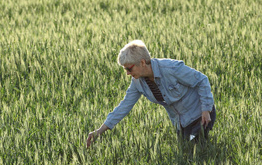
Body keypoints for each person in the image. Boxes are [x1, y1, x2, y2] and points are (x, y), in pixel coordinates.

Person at [86, 40, 216, 148]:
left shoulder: (171, 68)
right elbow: (123, 107)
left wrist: (206, 110)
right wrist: (99, 131)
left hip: (200, 115)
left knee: (194, 146)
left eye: (129, 68)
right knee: (185, 149)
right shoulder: (137, 82)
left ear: (142, 62)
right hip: (181, 123)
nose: (127, 73)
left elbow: (201, 80)